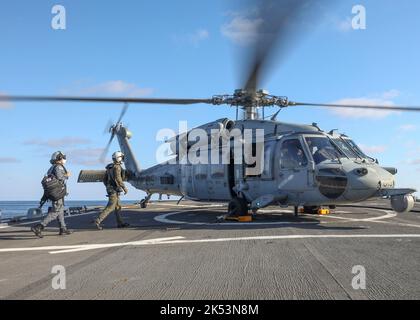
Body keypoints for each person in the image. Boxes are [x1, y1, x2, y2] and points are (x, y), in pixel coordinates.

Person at [31, 151, 72, 238]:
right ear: (59, 158)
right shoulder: (58, 167)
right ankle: (39, 227)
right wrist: (67, 175)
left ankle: (63, 228)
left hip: (54, 192)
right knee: (56, 211)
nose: (64, 158)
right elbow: (60, 177)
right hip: (57, 192)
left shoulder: (52, 167)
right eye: (63, 157)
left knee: (60, 210)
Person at [94, 151, 130, 230]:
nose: (122, 159)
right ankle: (97, 221)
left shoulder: (110, 167)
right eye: (122, 157)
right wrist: (124, 188)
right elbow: (118, 179)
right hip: (114, 190)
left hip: (112, 189)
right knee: (111, 206)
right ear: (118, 158)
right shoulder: (117, 167)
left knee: (117, 207)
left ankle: (120, 223)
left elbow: (104, 179)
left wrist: (108, 186)